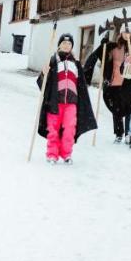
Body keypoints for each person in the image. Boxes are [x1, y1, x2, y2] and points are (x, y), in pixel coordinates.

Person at [35, 32, 98, 164]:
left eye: (69, 43)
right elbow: (42, 84)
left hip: (71, 103)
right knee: (53, 129)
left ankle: (66, 154)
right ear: (59, 46)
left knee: (70, 128)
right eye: (64, 43)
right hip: (54, 102)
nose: (66, 45)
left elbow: (82, 84)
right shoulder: (52, 62)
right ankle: (52, 154)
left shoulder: (76, 64)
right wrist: (43, 74)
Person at [102, 25, 131, 145]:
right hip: (115, 82)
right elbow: (106, 60)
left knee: (129, 109)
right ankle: (119, 133)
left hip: (129, 84)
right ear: (121, 33)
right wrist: (104, 45)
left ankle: (128, 134)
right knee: (116, 110)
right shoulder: (114, 46)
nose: (127, 35)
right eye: (125, 32)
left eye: (129, 32)